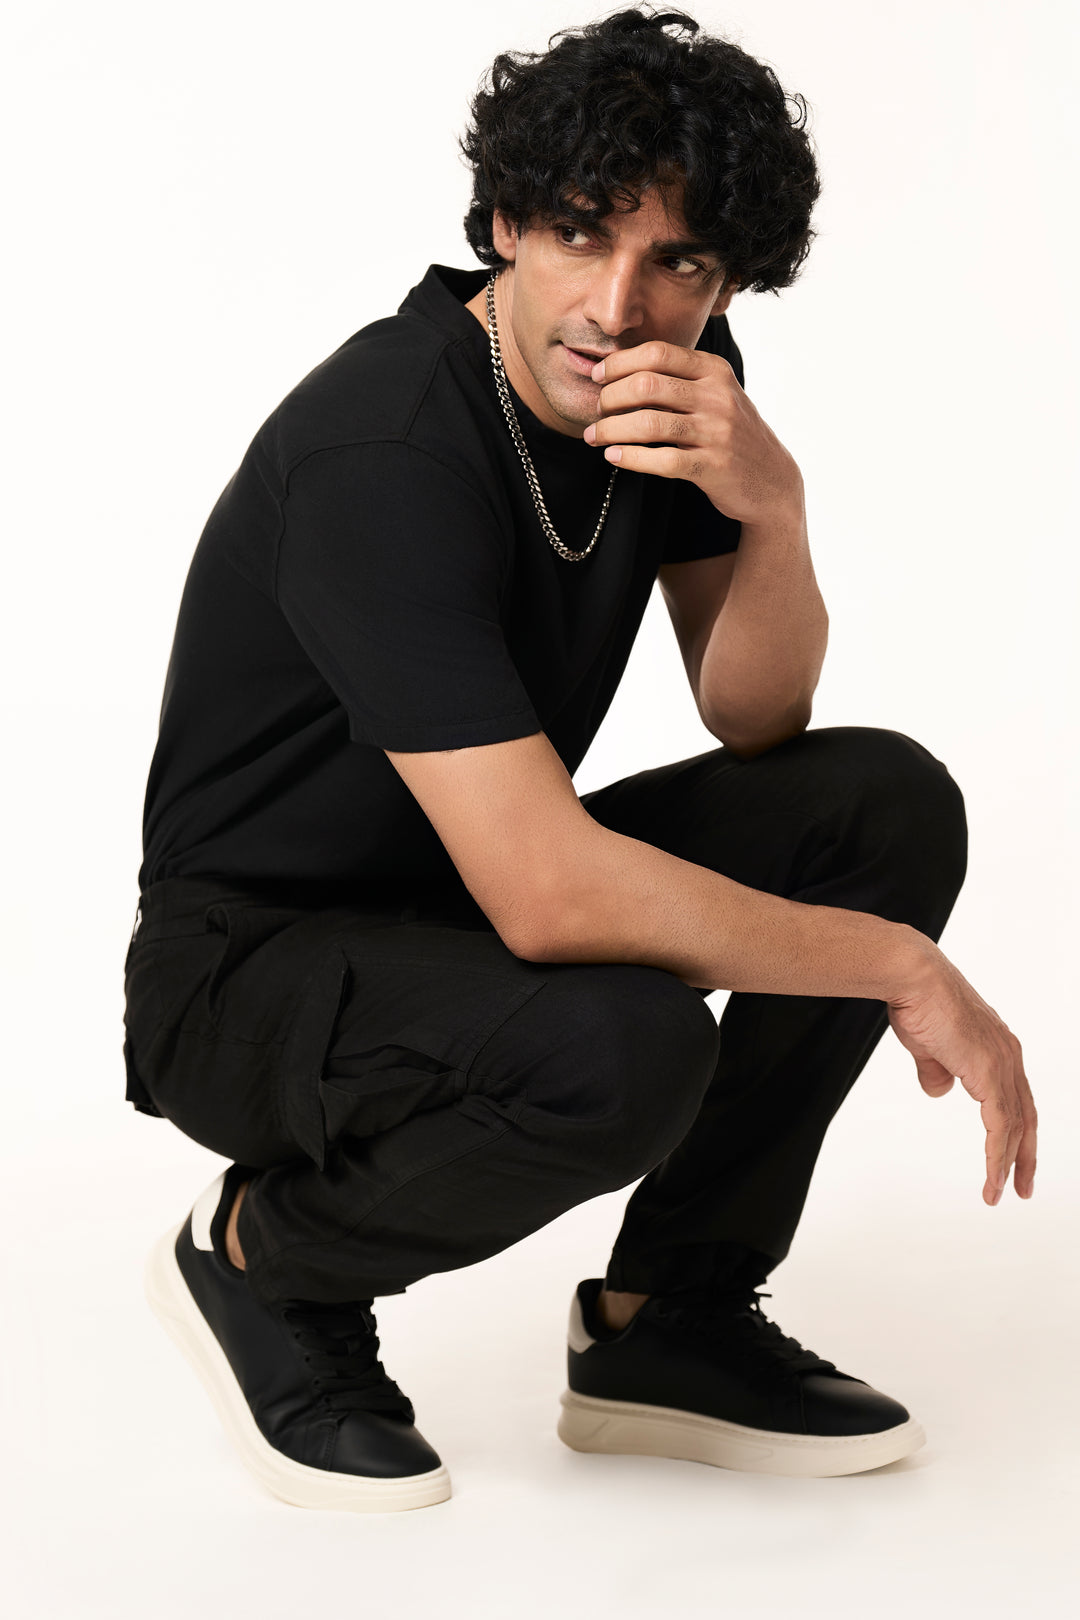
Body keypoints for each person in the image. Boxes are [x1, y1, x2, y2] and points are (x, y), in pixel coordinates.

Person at [125, 5, 1037, 1515]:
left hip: (463, 898)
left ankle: (670, 1315)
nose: (619, 307)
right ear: (503, 222)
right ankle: (264, 1260)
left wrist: (774, 510)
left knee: (879, 806)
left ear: (728, 277)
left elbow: (756, 721)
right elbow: (549, 898)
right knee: (626, 1048)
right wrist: (895, 964)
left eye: (679, 261)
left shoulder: (676, 374)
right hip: (250, 975)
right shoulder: (386, 451)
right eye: (578, 233)